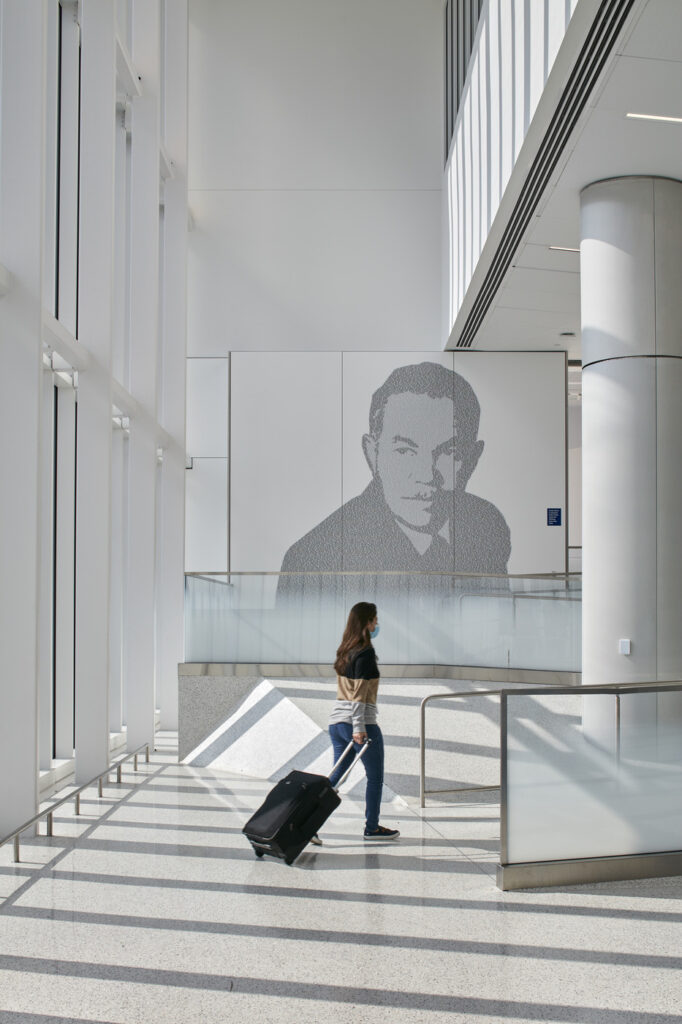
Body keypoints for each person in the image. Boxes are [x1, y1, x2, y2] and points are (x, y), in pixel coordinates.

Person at [277, 361, 510, 600]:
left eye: (449, 452)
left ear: (472, 459)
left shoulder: (486, 523)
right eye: (405, 451)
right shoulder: (313, 559)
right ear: (372, 454)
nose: (426, 475)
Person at [327, 601, 399, 840]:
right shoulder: (365, 652)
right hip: (360, 725)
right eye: (375, 620)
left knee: (335, 778)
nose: (377, 624)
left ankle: (307, 823)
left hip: (337, 723)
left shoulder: (344, 650)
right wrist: (359, 728)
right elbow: (358, 694)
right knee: (375, 777)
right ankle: (372, 827)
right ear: (367, 623)